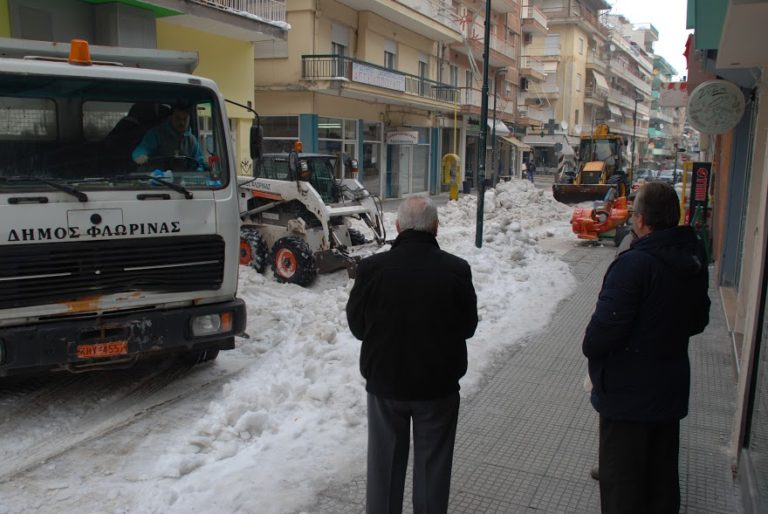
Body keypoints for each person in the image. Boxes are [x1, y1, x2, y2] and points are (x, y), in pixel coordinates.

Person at [582, 181, 710, 514]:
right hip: (668, 391)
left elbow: (599, 337)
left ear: (641, 220)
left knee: (623, 489)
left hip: (627, 400)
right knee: (660, 484)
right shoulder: (692, 255)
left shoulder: (635, 265)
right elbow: (698, 320)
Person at [346, 195, 478, 514]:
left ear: (397, 226)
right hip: (438, 389)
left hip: (385, 387)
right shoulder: (456, 270)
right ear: (436, 226)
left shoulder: (372, 268)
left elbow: (357, 325)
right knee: (433, 470)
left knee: (384, 471)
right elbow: (468, 326)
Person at [132, 103, 205, 170]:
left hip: (183, 180)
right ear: (171, 117)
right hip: (158, 179)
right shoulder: (157, 133)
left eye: (185, 119)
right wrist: (140, 155)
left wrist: (199, 173)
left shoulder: (192, 140)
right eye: (178, 118)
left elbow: (199, 163)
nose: (181, 122)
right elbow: (143, 148)